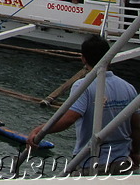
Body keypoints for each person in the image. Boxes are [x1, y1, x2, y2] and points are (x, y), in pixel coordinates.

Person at [27, 36, 140, 174]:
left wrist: (39, 130)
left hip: (90, 161)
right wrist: (136, 153)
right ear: (109, 58)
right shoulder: (128, 88)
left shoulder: (82, 86)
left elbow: (68, 119)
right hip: (121, 160)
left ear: (83, 58)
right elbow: (136, 125)